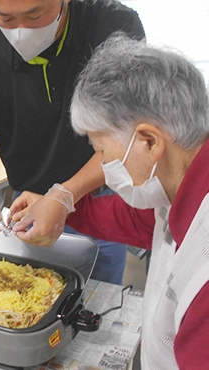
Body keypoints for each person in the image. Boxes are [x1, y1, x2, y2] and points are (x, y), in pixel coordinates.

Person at [13, 35, 209, 368]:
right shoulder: (178, 188)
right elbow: (131, 219)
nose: (102, 164)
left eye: (102, 150)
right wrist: (59, 205)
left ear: (148, 141)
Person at [0, 0, 145, 284]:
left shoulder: (111, 27)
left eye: (35, 15)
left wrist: (65, 195)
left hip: (99, 199)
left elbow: (126, 135)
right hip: (27, 206)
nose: (21, 30)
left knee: (97, 299)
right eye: (5, 18)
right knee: (31, 296)